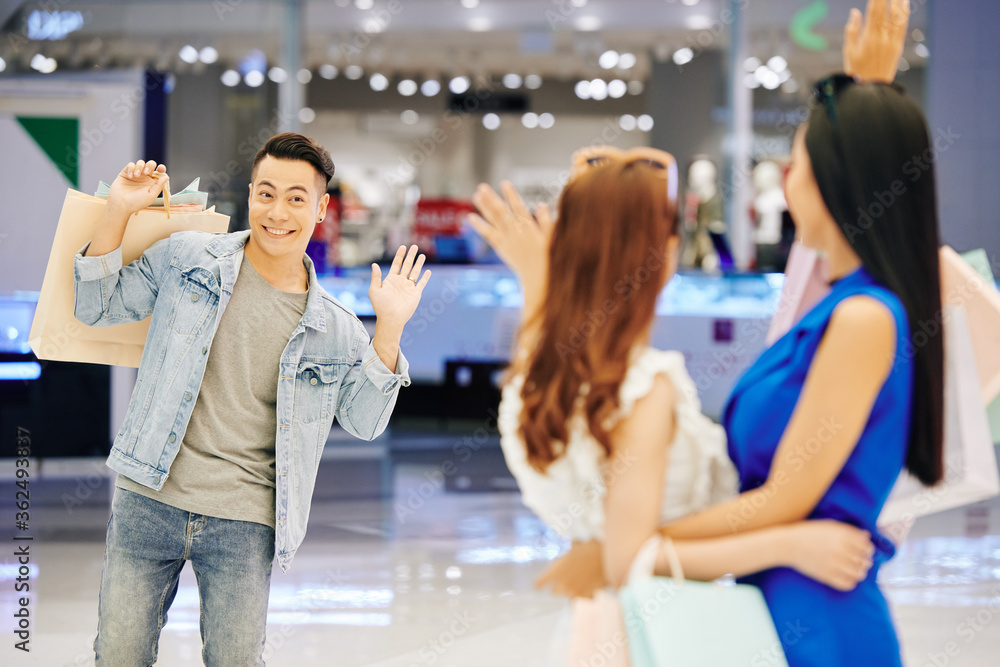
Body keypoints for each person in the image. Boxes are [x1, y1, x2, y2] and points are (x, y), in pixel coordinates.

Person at [483, 2, 938, 665]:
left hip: (819, 616)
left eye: (799, 163)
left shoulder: (862, 316)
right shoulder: (831, 312)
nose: (784, 179)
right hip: (753, 607)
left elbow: (787, 498)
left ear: (839, 179)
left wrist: (628, 546)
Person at [470, 146, 877, 663]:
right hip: (656, 633)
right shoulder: (644, 386)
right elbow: (631, 558)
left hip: (599, 630)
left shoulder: (537, 376)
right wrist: (790, 544)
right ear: (660, 253)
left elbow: (611, 540)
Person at [73, 132, 430, 666]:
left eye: (295, 197)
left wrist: (390, 330)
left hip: (244, 520)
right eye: (266, 193)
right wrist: (119, 212)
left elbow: (364, 422)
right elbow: (95, 307)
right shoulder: (188, 258)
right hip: (150, 497)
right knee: (118, 656)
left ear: (321, 207)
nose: (277, 211)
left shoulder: (333, 326)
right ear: (249, 195)